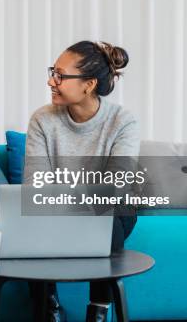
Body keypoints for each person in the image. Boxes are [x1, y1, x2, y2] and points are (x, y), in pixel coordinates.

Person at [24, 40, 140, 322]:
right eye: (53, 71)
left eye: (60, 76)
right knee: (29, 217)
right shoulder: (42, 119)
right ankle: (48, 308)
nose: (52, 81)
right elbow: (34, 184)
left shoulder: (122, 121)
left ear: (88, 85)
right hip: (59, 206)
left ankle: (98, 310)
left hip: (109, 209)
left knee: (109, 215)